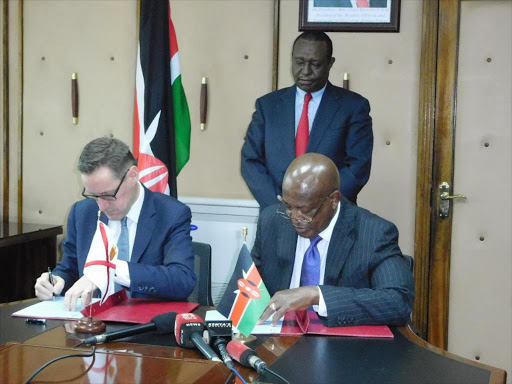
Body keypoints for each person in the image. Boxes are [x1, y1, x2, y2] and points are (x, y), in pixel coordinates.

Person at [34, 137, 196, 311]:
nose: (101, 206)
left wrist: (108, 269)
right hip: (91, 325)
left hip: (147, 328)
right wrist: (56, 281)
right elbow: (70, 267)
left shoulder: (172, 214)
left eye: (108, 195)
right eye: (94, 196)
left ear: (133, 176)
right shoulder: (82, 213)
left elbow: (182, 280)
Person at [254, 153, 414, 327]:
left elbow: (398, 300)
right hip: (278, 341)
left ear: (333, 200)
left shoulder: (374, 233)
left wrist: (317, 295)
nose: (295, 217)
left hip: (344, 347)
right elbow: (246, 287)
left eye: (305, 210)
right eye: (288, 206)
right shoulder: (272, 221)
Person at [241, 31, 373, 211]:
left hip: (330, 217)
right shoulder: (268, 106)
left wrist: (316, 207)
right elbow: (251, 162)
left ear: (330, 63)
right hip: (277, 215)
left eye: (315, 64)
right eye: (299, 62)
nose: (305, 71)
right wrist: (281, 207)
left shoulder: (353, 107)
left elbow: (358, 167)